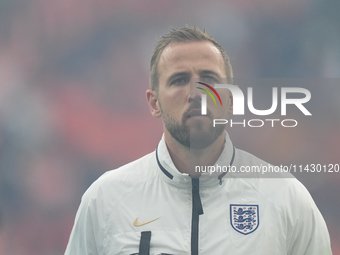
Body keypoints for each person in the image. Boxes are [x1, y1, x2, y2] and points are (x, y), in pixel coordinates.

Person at [64, 26, 332, 255]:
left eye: (209, 79)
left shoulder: (286, 198)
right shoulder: (105, 200)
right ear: (154, 102)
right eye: (179, 80)